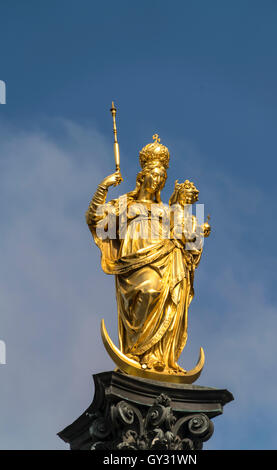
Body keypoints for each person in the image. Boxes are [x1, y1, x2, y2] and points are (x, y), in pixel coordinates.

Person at [86, 136, 204, 374]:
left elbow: (190, 243)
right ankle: (135, 350)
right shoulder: (125, 205)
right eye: (154, 174)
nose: (158, 180)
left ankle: (157, 359)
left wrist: (197, 230)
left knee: (167, 299)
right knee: (148, 289)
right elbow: (95, 220)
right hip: (136, 262)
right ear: (142, 176)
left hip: (169, 262)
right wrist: (103, 187)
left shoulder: (168, 210)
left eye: (163, 176)